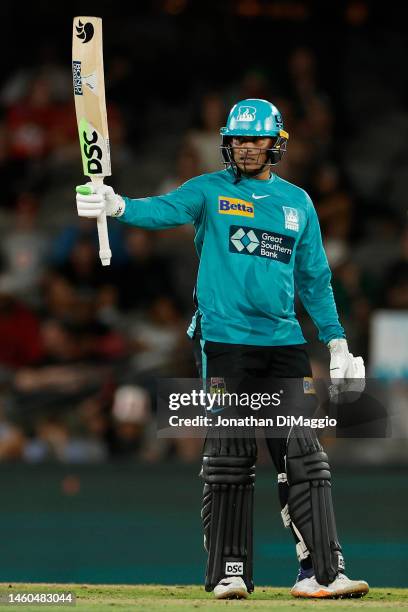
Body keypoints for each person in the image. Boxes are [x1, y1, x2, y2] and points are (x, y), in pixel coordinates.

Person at [75, 98, 368, 600]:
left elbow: (315, 279)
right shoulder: (207, 191)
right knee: (231, 456)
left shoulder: (298, 202)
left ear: (275, 144)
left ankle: (321, 572)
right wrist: (117, 205)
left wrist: (336, 341)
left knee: (303, 456)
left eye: (256, 139)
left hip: (285, 343)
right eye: (238, 139)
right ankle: (229, 572)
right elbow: (163, 210)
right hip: (225, 342)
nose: (247, 147)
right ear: (226, 143)